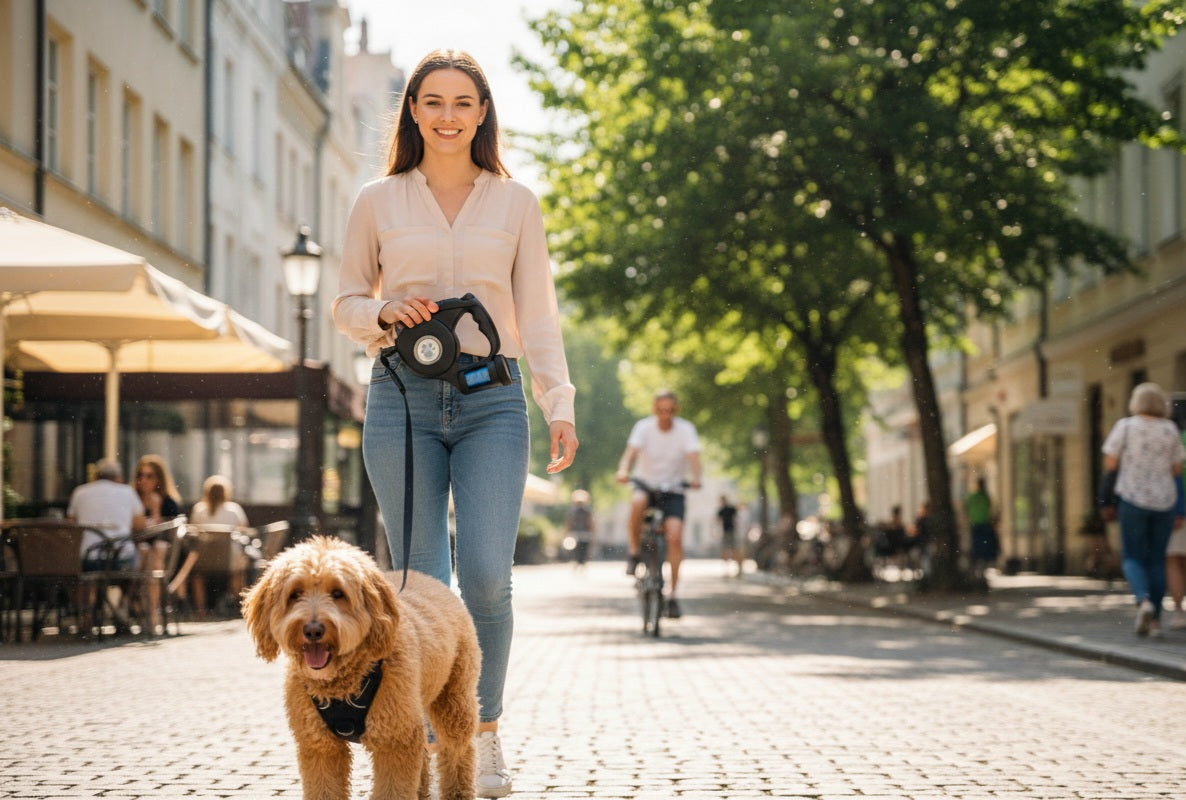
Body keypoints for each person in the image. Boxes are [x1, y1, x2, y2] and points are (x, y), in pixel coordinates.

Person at [332, 49, 577, 799]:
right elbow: (343, 301)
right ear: (412, 110)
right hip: (400, 397)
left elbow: (536, 313)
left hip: (492, 401)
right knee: (418, 583)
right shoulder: (378, 199)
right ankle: (429, 738)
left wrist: (557, 401)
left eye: (462, 102)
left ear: (482, 112)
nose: (447, 115)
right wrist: (380, 311)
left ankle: (483, 731)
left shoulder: (515, 201)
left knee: (484, 581)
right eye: (431, 101)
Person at [1102, 381, 1186, 638]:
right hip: (1164, 502)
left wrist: (1106, 499)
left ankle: (1143, 600)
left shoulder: (1125, 427)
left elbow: (1110, 463)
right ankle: (1156, 621)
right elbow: (1176, 470)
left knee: (1132, 556)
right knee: (1157, 560)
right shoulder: (1170, 429)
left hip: (1132, 500)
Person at [615, 390, 702, 619]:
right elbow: (630, 453)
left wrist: (697, 477)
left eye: (670, 410)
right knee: (638, 501)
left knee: (675, 535)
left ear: (676, 410)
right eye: (661, 410)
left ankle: (672, 596)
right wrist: (623, 470)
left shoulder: (685, 430)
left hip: (673, 489)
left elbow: (694, 458)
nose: (666, 415)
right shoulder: (643, 428)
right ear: (655, 410)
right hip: (646, 484)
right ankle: (634, 551)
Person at [66, 458, 146, 632]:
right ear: (118, 477)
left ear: (95, 476)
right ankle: (122, 608)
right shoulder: (127, 492)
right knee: (133, 570)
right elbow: (140, 525)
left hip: (89, 559)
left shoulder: (80, 492)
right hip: (121, 560)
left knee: (85, 579)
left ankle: (87, 616)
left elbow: (71, 526)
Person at [185, 475, 251, 619]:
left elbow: (193, 530)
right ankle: (242, 606)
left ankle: (200, 609)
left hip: (204, 559)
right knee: (239, 568)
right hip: (227, 560)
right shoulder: (233, 509)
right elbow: (244, 529)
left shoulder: (199, 509)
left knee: (197, 576)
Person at [132, 454, 182, 631]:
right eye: (140, 475)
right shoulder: (132, 500)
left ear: (158, 478)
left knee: (155, 552)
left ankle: (149, 610)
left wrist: (155, 510)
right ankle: (145, 610)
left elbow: (166, 535)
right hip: (135, 550)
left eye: (149, 476)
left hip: (162, 553)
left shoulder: (168, 502)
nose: (143, 480)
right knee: (145, 551)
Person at [964, 477, 1000, 579]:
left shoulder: (975, 497)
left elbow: (967, 508)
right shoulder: (983, 497)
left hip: (979, 524)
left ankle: (980, 566)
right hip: (982, 524)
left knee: (979, 547)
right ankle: (981, 565)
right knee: (982, 547)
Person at [564, 489, 594, 567]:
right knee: (580, 550)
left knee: (580, 550)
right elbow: (570, 522)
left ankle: (580, 562)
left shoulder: (578, 511)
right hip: (578, 533)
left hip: (583, 533)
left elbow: (590, 522)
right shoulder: (581, 511)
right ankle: (580, 562)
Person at [717, 495, 742, 577]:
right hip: (728, 531)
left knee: (731, 550)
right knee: (729, 550)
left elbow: (735, 519)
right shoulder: (724, 510)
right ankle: (729, 570)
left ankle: (737, 569)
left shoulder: (728, 509)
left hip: (730, 531)